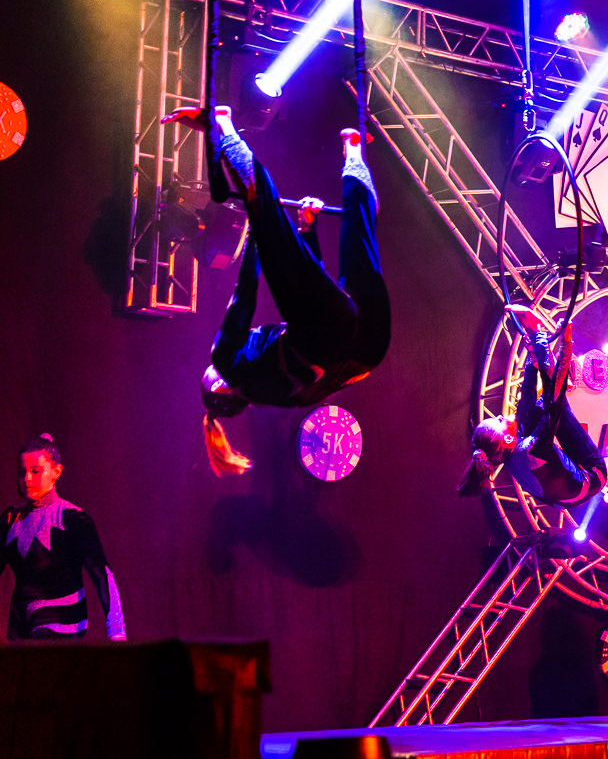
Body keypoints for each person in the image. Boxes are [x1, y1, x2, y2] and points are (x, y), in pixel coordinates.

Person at [160, 105, 391, 476]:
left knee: (360, 231)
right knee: (265, 207)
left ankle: (353, 150)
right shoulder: (227, 363)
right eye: (210, 372)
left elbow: (320, 300)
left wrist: (308, 232)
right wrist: (258, 234)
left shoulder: (287, 398)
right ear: (221, 388)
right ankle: (222, 126)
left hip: (368, 348)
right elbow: (245, 296)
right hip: (329, 331)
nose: (212, 366)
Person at [458, 307, 606, 507]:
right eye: (499, 421)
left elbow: (526, 398)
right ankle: (539, 335)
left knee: (530, 414)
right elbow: (555, 393)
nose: (501, 416)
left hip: (561, 491)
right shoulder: (529, 450)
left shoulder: (507, 451)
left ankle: (538, 351)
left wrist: (531, 358)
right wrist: (559, 339)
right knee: (554, 402)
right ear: (507, 438)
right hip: (593, 475)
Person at [2, 435, 126, 641]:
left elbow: (101, 574)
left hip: (62, 621)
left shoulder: (72, 518)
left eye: (35, 471)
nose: (27, 479)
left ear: (56, 472)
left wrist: (116, 629)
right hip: (21, 624)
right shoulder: (10, 520)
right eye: (21, 472)